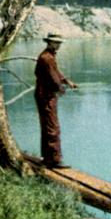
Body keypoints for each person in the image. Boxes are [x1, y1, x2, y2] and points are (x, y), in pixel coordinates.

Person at [35, 33, 78, 168]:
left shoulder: (48, 56)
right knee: (52, 127)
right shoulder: (47, 58)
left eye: (59, 43)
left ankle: (48, 157)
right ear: (49, 43)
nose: (58, 45)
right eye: (56, 43)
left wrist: (66, 81)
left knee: (48, 125)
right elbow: (53, 77)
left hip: (45, 95)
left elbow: (56, 72)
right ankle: (54, 160)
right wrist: (60, 88)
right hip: (46, 96)